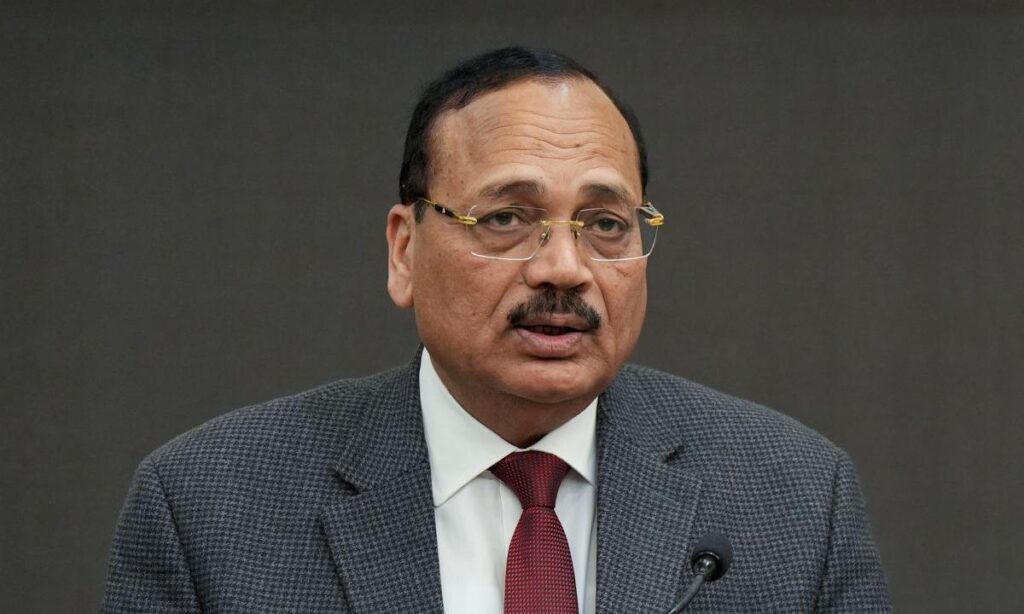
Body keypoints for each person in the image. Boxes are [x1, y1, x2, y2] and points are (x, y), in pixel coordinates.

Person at [101, 47, 891, 613]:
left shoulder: (794, 499)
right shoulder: (209, 508)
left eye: (605, 224)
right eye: (508, 218)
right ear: (404, 250)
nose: (563, 269)